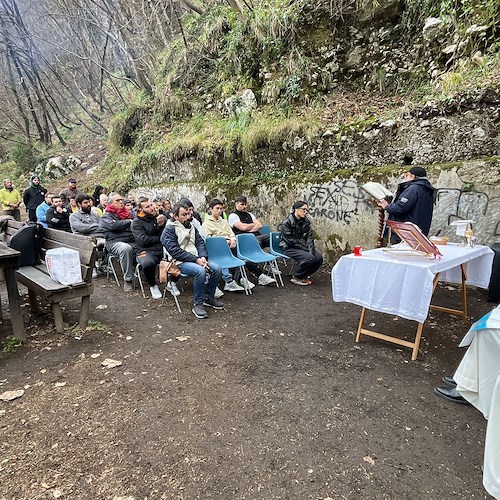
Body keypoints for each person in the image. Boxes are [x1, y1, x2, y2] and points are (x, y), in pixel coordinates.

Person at [161, 202, 223, 319]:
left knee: (217, 269)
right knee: (200, 271)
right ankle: (197, 303)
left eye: (188, 214)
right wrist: (196, 260)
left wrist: (203, 257)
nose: (187, 217)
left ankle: (208, 298)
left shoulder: (192, 227)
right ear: (175, 216)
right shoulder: (169, 230)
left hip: (197, 259)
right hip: (179, 262)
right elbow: (175, 252)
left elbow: (200, 243)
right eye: (183, 215)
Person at [131, 198, 179, 300]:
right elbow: (143, 240)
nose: (151, 208)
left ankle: (172, 283)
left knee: (178, 257)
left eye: (151, 205)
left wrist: (164, 222)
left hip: (161, 248)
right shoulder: (136, 222)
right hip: (145, 250)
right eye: (147, 207)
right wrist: (160, 239)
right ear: (140, 209)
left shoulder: (159, 217)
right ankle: (153, 285)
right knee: (148, 263)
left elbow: (168, 233)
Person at [377, 166, 436, 242]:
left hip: (405, 232)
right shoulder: (426, 189)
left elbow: (400, 208)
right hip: (418, 231)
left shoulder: (413, 188)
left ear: (412, 176)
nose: (406, 177)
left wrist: (387, 206)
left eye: (407, 175)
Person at [227, 195, 276, 287]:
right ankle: (260, 276)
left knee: (274, 237)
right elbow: (242, 227)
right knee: (254, 243)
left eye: (245, 204)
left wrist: (247, 228)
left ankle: (269, 264)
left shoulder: (249, 214)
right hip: (244, 240)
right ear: (236, 204)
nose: (244, 207)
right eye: (242, 204)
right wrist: (251, 225)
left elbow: (259, 225)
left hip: (257, 236)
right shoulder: (233, 216)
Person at [202, 198, 245, 293]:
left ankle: (241, 278)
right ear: (210, 209)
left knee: (240, 250)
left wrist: (233, 240)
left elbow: (231, 233)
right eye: (217, 208)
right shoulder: (206, 224)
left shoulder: (224, 222)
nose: (219, 211)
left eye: (221, 208)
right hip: (216, 248)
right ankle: (228, 280)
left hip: (229, 244)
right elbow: (208, 240)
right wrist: (224, 242)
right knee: (222, 252)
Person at [279, 200, 323, 286]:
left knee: (318, 258)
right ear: (296, 209)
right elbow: (290, 241)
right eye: (304, 209)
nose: (306, 212)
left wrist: (310, 250)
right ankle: (297, 276)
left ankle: (304, 274)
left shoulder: (306, 222)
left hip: (300, 247)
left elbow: (310, 238)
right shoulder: (286, 223)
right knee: (309, 257)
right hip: (289, 247)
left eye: (307, 210)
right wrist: (306, 250)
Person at [100, 193, 136, 292]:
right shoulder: (106, 216)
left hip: (131, 240)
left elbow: (137, 220)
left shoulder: (128, 213)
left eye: (121, 200)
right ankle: (128, 280)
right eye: (117, 200)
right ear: (111, 203)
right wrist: (129, 222)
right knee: (125, 248)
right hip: (114, 242)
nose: (121, 202)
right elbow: (113, 226)